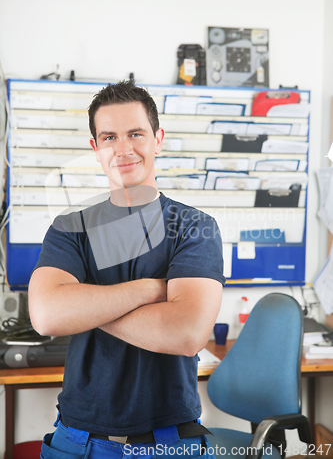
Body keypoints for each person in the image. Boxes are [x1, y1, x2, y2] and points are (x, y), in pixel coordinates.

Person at [29, 80, 225, 459]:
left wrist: (83, 308)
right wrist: (152, 290)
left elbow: (186, 333)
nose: (123, 148)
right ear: (95, 149)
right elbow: (48, 315)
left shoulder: (194, 227)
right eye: (109, 137)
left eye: (136, 133)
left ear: (158, 139)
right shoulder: (69, 227)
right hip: (77, 440)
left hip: (168, 442)